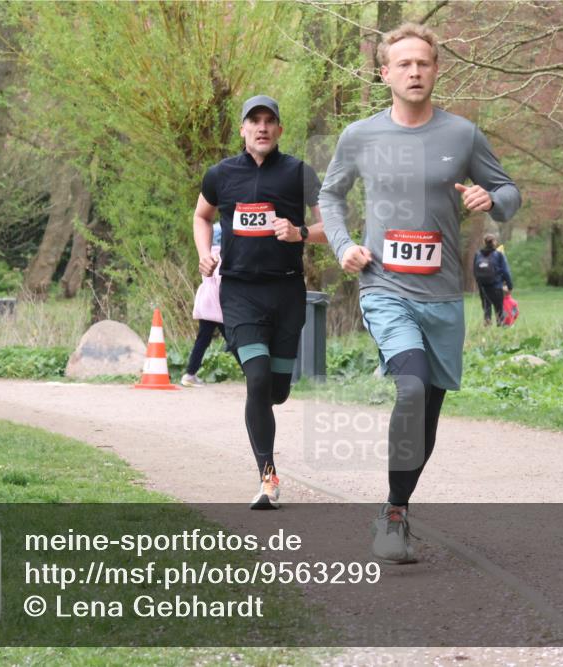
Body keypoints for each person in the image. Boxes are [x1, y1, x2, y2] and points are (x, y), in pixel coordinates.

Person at [319, 24, 521, 562]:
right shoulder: (360, 136)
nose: (414, 72)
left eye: (423, 64)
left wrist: (491, 199)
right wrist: (343, 246)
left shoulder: (463, 135)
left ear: (436, 70)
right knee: (409, 390)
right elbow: (330, 195)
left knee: (426, 414)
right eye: (403, 64)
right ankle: (390, 519)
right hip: (384, 287)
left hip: (443, 297)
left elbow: (509, 191)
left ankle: (397, 508)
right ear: (384, 73)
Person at [192, 95, 326, 509]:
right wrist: (204, 252)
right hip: (239, 292)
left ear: (280, 130)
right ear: (243, 129)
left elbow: (332, 225)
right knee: (257, 378)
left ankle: (266, 410)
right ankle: (267, 478)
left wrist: (301, 232)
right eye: (255, 121)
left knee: (277, 391)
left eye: (270, 121)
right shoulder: (221, 174)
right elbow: (202, 216)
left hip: (286, 291)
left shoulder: (299, 173)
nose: (263, 128)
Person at [182, 223, 224, 388]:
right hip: (218, 304)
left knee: (203, 340)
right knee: (236, 340)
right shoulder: (221, 256)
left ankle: (190, 374)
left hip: (207, 302)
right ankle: (253, 375)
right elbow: (221, 280)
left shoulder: (205, 254)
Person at [472, 233, 513, 326]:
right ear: (494, 242)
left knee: (486, 308)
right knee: (499, 310)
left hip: (483, 287)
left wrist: (480, 283)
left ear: (484, 242)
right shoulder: (498, 255)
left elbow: (475, 271)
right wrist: (510, 286)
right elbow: (506, 271)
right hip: (496, 287)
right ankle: (500, 327)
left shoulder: (478, 255)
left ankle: (487, 323)